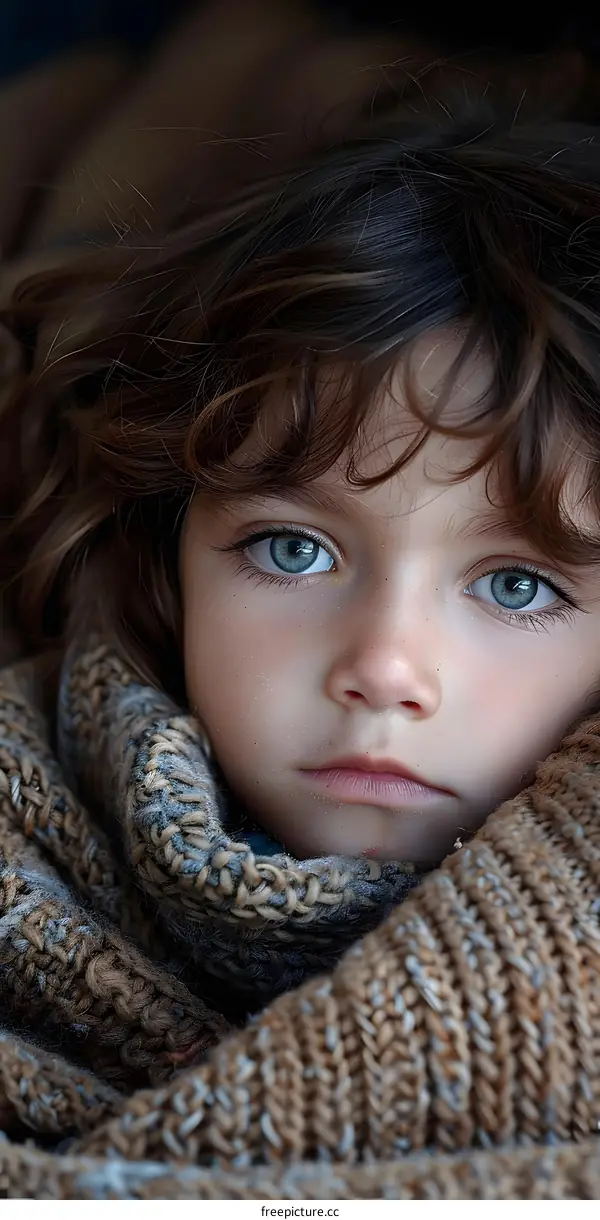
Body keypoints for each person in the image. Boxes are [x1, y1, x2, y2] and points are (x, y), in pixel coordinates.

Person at [2, 114, 600, 1196]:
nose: (384, 666)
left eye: (518, 585)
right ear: (168, 551)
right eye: (293, 547)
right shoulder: (20, 821)